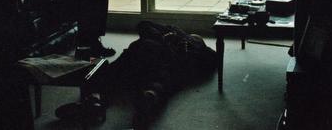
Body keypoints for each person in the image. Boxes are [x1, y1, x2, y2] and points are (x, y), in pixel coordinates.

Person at [55, 21, 217, 127]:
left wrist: (178, 43)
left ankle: (96, 99)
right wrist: (166, 34)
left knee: (114, 72)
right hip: (150, 52)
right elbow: (143, 25)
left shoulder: (196, 47)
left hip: (150, 53)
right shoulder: (175, 33)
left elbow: (210, 61)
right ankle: (148, 95)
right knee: (161, 77)